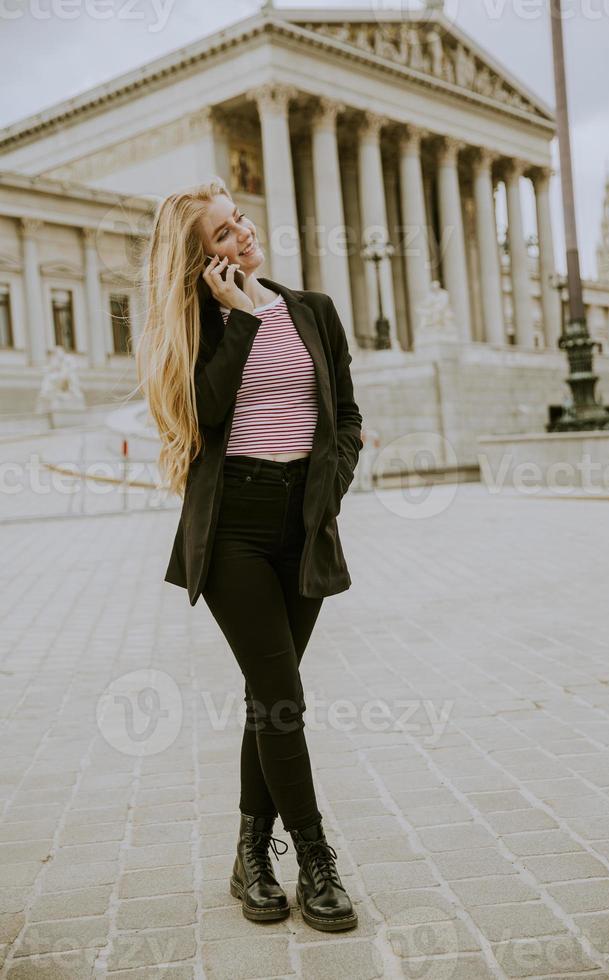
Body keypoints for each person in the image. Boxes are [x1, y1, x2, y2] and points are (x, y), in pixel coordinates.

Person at [135, 176, 364, 932]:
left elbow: (348, 416)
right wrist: (237, 320)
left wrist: (330, 488)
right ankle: (315, 854)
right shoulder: (198, 327)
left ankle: (249, 855)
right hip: (231, 527)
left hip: (304, 522)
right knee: (281, 694)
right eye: (224, 236)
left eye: (240, 222)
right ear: (199, 261)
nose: (244, 237)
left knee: (269, 698)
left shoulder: (313, 311)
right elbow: (200, 416)